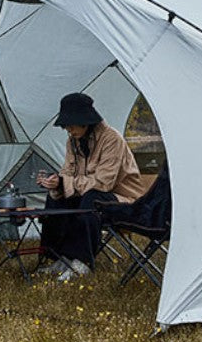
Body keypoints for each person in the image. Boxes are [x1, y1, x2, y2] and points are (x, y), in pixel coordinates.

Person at [36, 92, 145, 281]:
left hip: (123, 200)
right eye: (66, 126)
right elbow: (67, 173)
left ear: (85, 121)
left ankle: (81, 260)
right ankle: (58, 257)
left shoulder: (112, 139)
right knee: (56, 197)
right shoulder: (73, 142)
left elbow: (104, 182)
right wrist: (55, 183)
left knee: (92, 198)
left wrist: (65, 182)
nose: (68, 129)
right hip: (92, 193)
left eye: (71, 125)